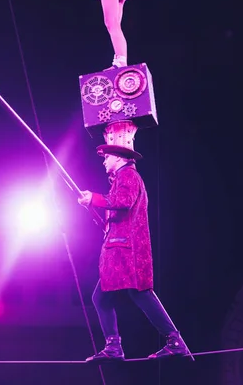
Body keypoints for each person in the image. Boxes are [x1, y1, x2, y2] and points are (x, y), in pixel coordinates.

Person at [78, 141, 192, 362]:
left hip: (125, 251)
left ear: (119, 158)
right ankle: (170, 341)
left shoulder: (128, 175)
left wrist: (95, 198)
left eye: (107, 157)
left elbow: (124, 202)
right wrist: (92, 204)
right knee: (117, 295)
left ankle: (123, 346)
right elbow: (114, 220)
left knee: (126, 294)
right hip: (123, 248)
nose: (104, 161)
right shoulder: (122, 178)